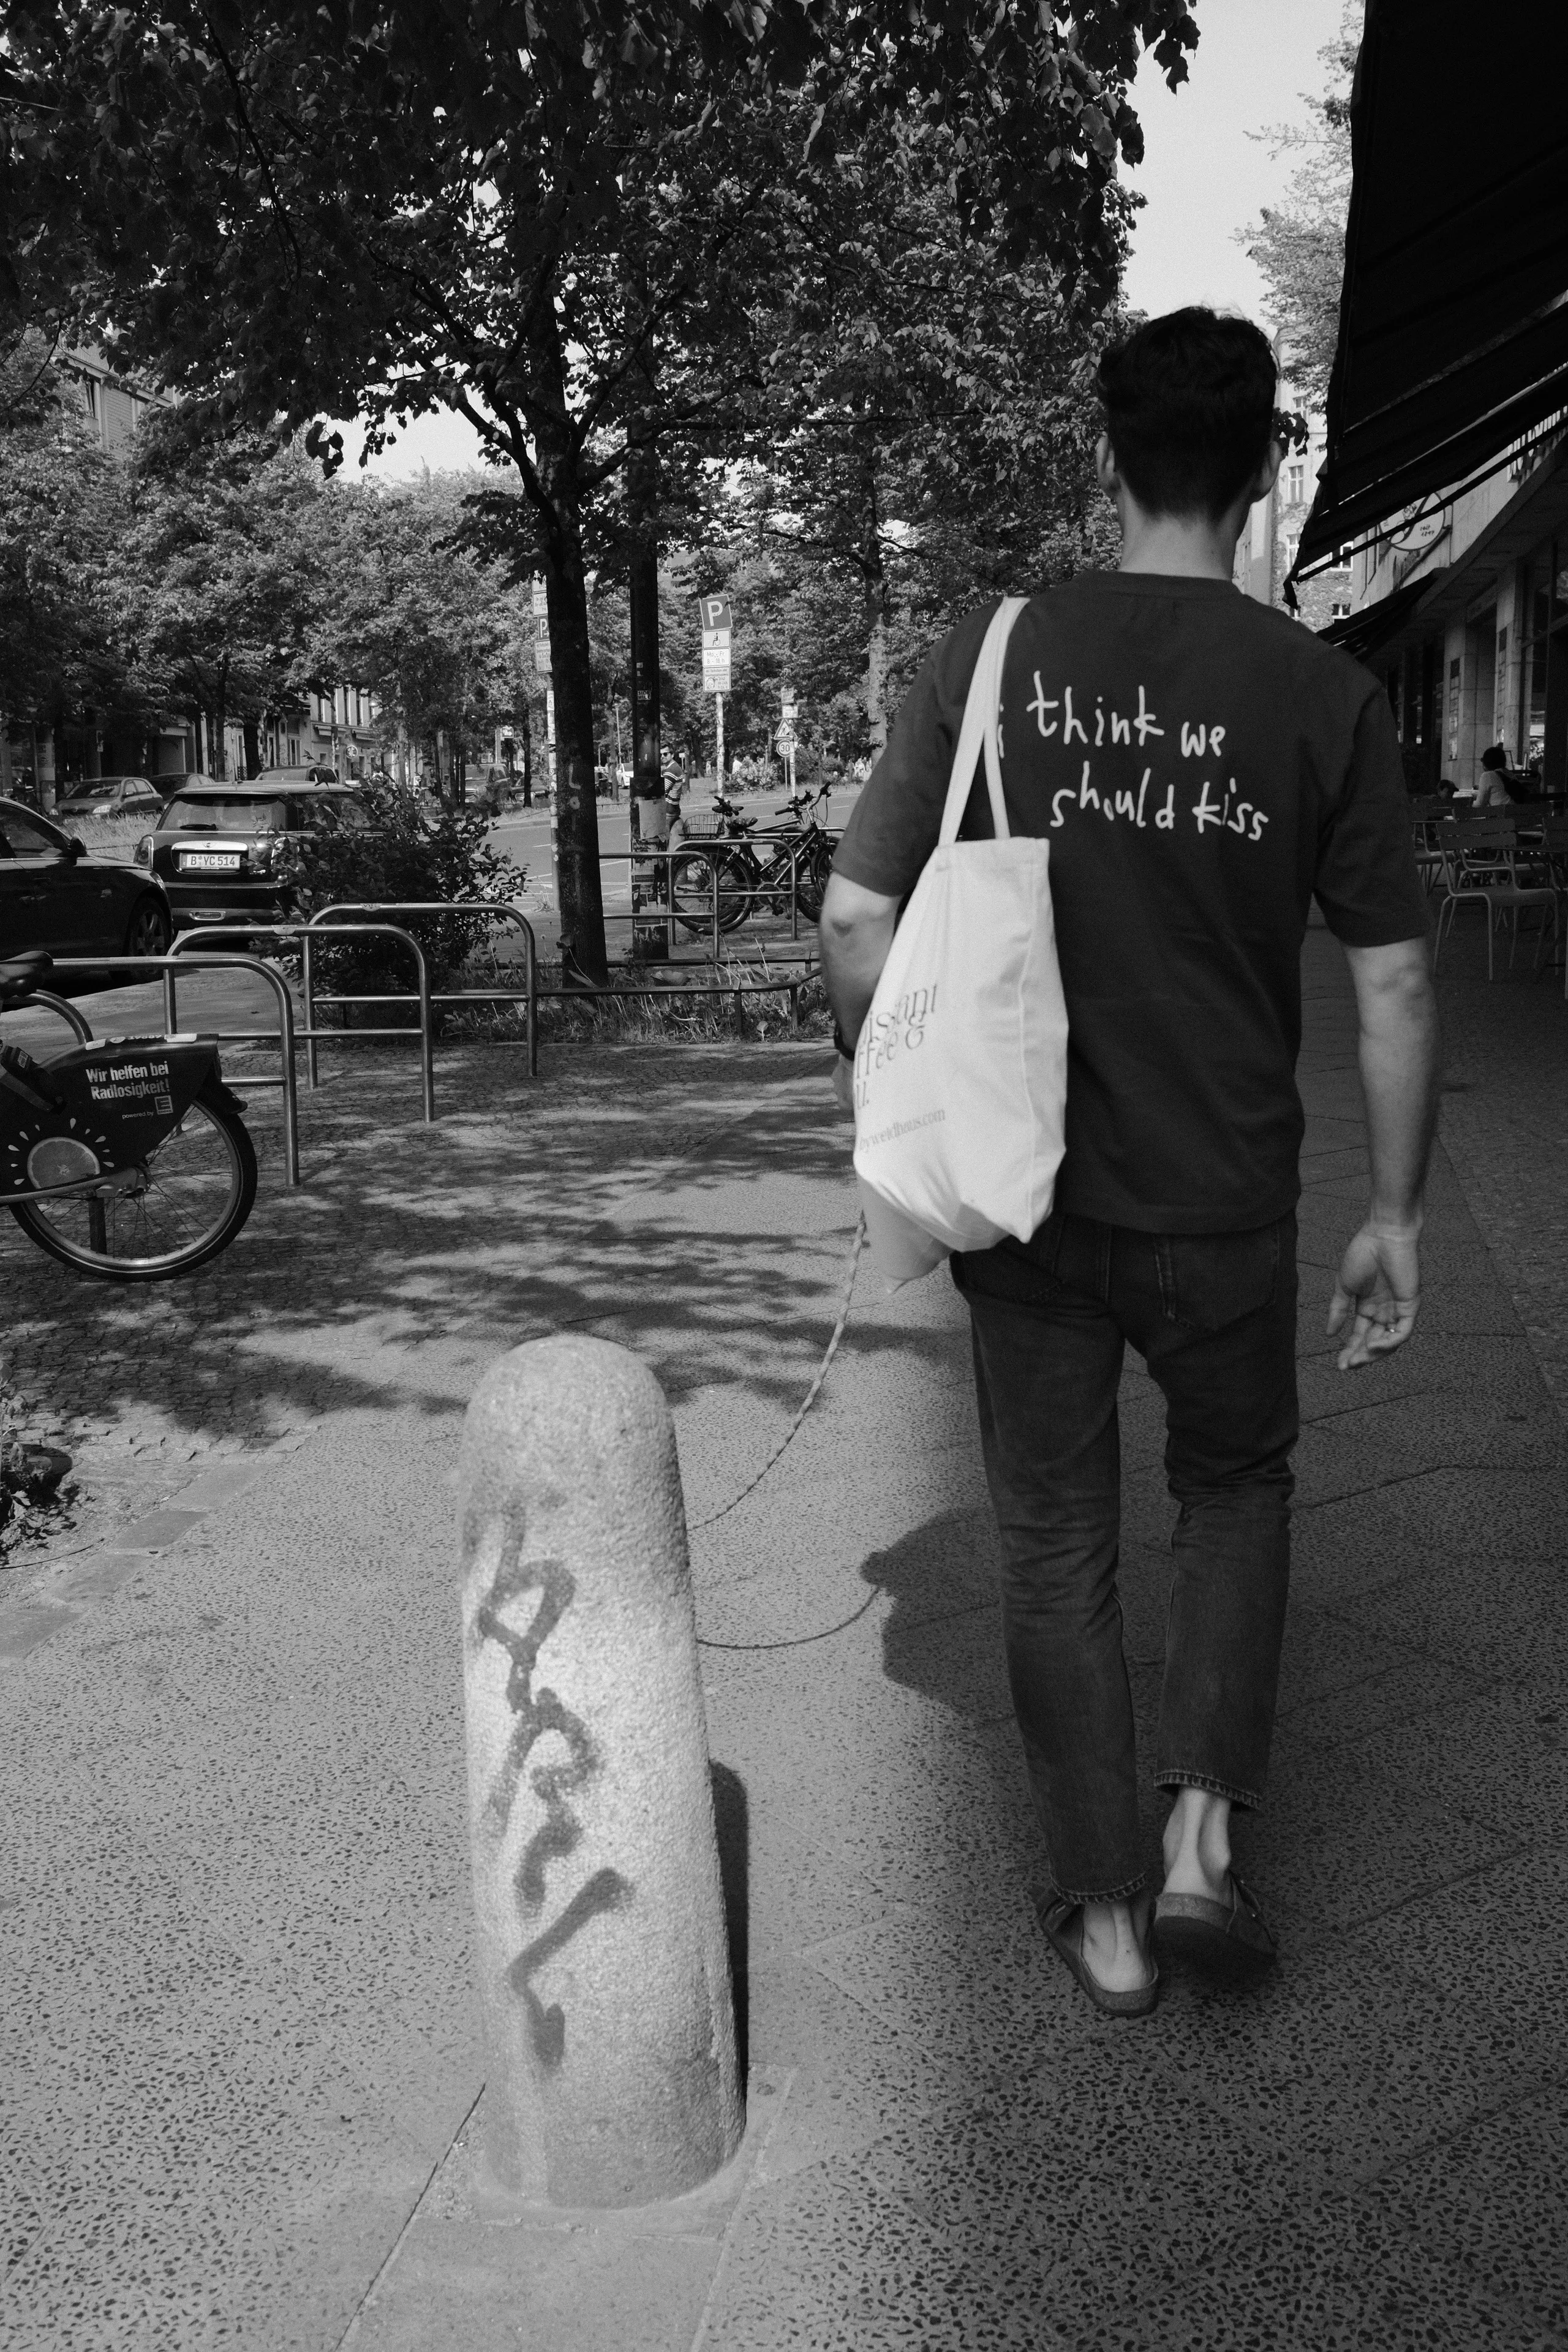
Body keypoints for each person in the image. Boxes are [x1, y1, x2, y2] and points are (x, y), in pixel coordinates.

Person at [820, 307, 1438, 2016]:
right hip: (1230, 1199)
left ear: (1107, 459)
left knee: (1054, 1539)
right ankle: (1195, 1851)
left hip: (1028, 1199)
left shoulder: (993, 653)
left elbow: (860, 916)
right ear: (1261, 476)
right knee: (1234, 1490)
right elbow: (1391, 976)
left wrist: (890, 1108)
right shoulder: (1323, 696)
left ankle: (1098, 1916)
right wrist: (1393, 1212)